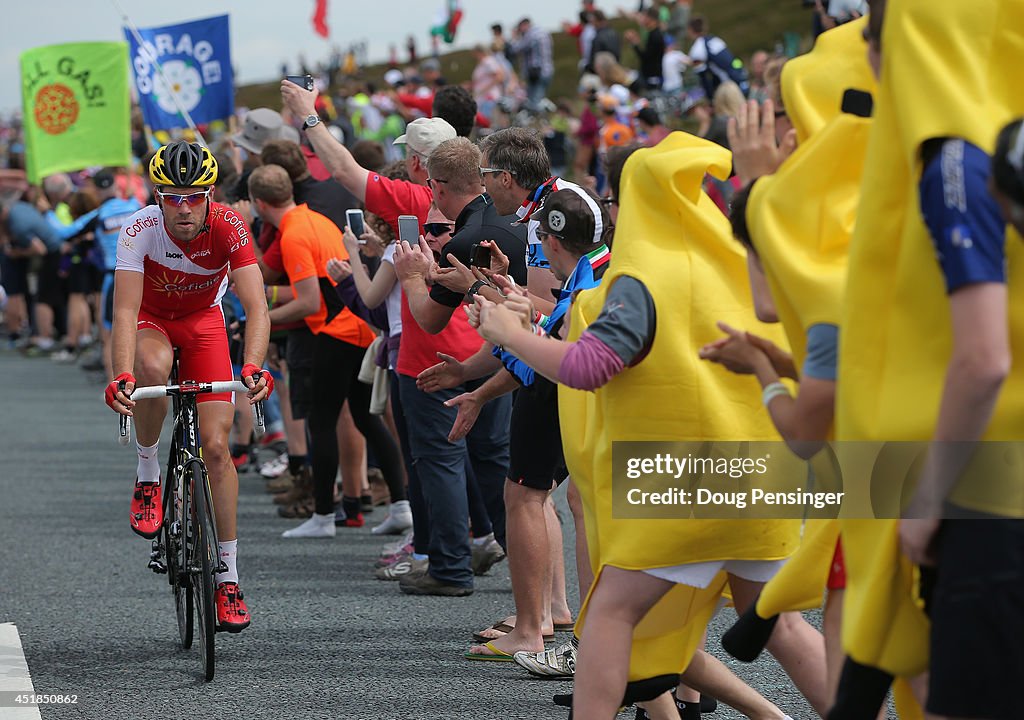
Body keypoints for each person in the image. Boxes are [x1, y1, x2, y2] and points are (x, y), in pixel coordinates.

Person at [103, 141, 274, 632]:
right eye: (171, 196)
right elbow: (125, 312)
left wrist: (255, 366)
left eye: (193, 196)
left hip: (203, 323)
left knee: (217, 449)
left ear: (210, 194)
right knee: (152, 371)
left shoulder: (229, 227)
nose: (182, 207)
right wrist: (121, 376)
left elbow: (257, 307)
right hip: (153, 322)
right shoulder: (138, 229)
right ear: (157, 196)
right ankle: (149, 472)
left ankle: (227, 576)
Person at [248, 164, 402, 540]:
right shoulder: (312, 219)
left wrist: (261, 320)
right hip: (358, 327)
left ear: (257, 203)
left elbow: (308, 301)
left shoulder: (294, 234)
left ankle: (321, 516)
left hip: (339, 331)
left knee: (321, 420)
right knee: (367, 419)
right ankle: (402, 505)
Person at [686, 16, 750, 100]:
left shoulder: (697, 49)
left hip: (729, 85)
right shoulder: (715, 39)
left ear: (690, 30)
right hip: (740, 77)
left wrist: (711, 98)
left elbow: (704, 77)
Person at [508, 17, 554, 110]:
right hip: (547, 70)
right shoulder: (543, 32)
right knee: (539, 98)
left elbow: (516, 49)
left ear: (524, 25)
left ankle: (536, 121)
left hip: (536, 72)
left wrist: (514, 38)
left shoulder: (531, 34)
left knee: (534, 102)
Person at [624, 8, 667, 91]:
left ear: (650, 18)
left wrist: (634, 43)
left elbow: (646, 57)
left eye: (644, 17)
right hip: (652, 76)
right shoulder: (654, 33)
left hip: (652, 78)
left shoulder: (655, 35)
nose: (642, 19)